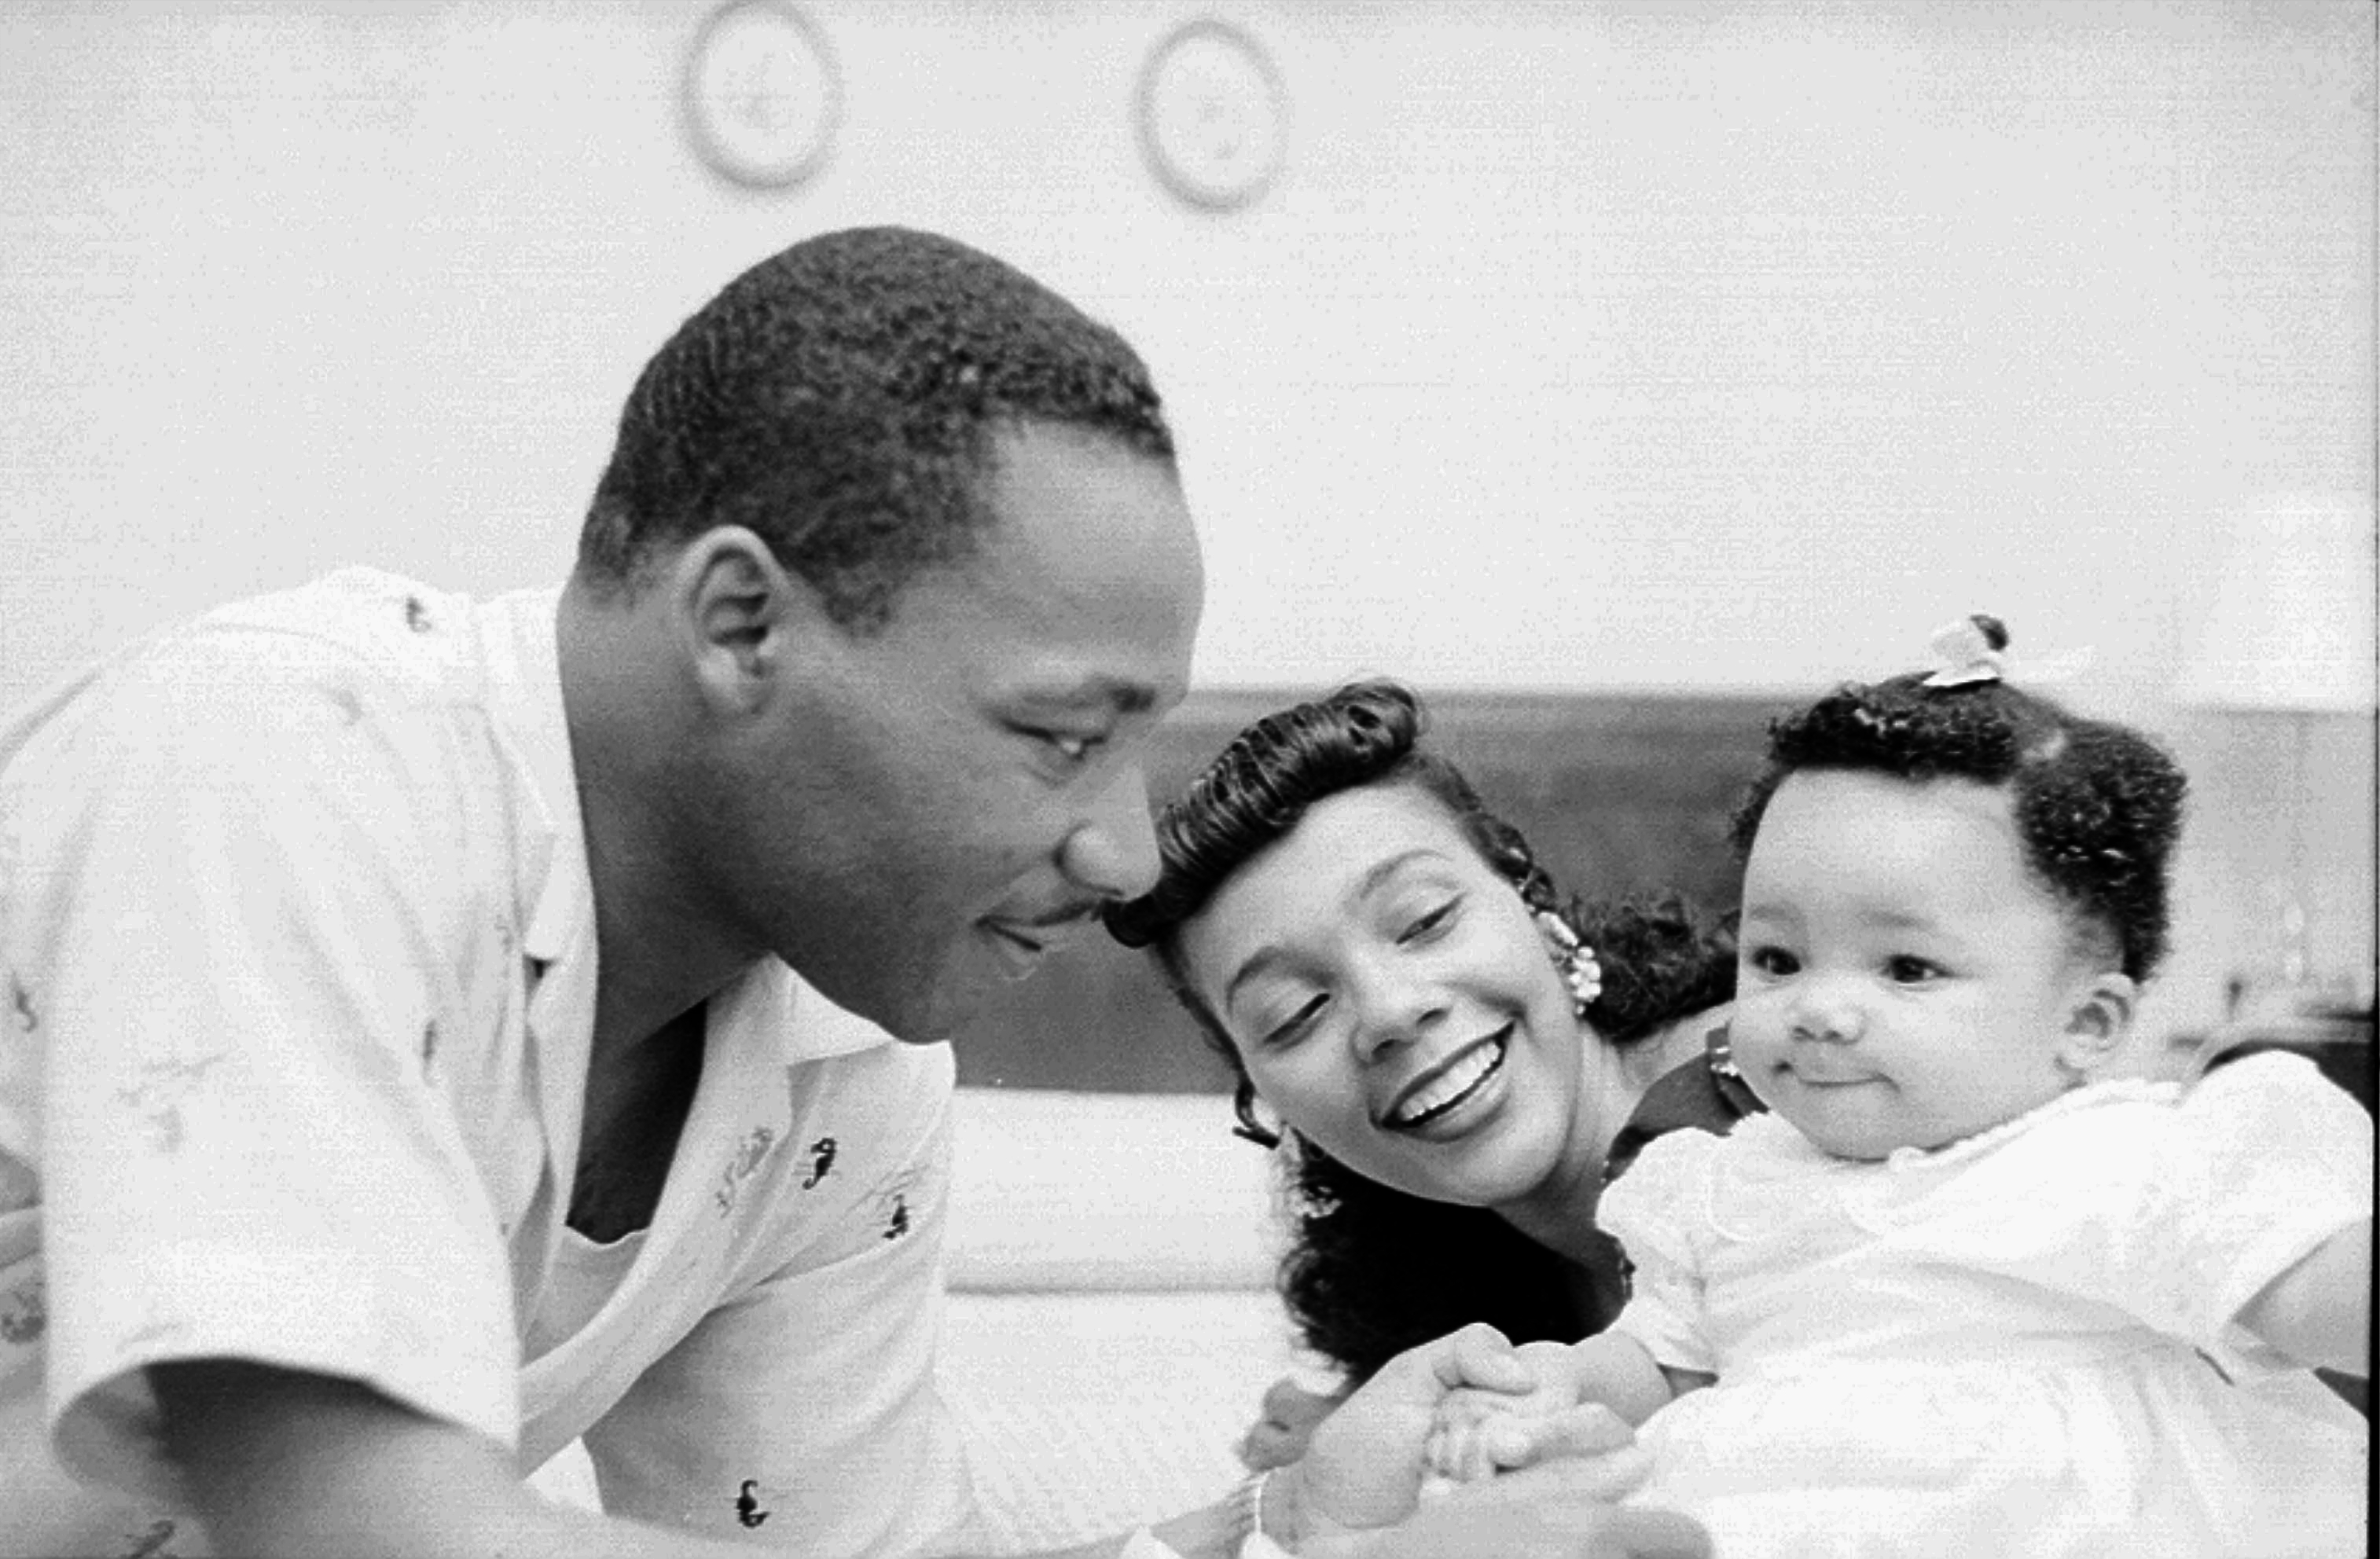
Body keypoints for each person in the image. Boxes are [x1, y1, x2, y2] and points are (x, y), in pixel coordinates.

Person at [0, 228, 1683, 1559]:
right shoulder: (287, 755)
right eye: (1054, 737)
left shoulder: (847, 1057)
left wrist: (1291, 1521)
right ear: (742, 623)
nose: (1120, 857)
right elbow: (361, 1536)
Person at [1422, 619, 2374, 1556]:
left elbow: (2302, 1287)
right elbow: (1664, 1362)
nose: (1819, 1009)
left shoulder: (2124, 1161)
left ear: (2085, 1023)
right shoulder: (1718, 1184)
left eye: (1907, 969)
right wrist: (1558, 1382)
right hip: (1770, 1506)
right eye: (1778, 957)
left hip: (2053, 1516)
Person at [1103, 680, 1759, 1469]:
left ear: (1534, 908)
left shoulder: (1781, 1096)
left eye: (1423, 921)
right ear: (1260, 1093)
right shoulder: (1442, 1300)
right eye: (1296, 1012)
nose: (1388, 1013)